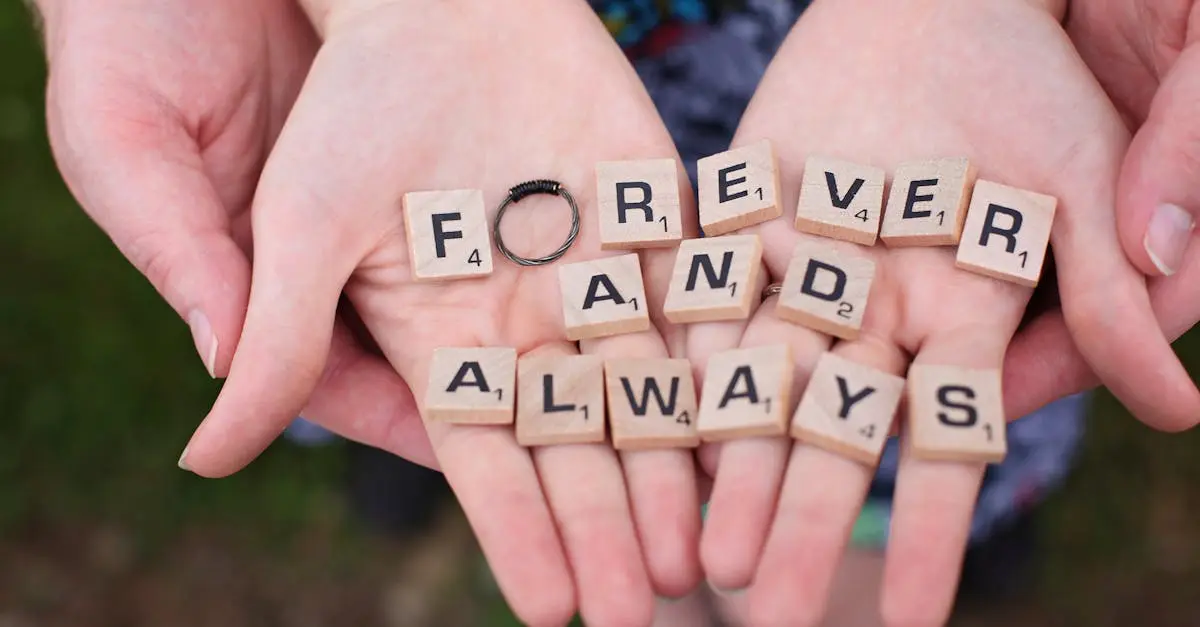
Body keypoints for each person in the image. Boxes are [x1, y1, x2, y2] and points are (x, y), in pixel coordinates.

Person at [32, 0, 1200, 624]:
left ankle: (914, 526)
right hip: (412, 89)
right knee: (459, 365)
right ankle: (446, 476)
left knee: (891, 373)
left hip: (907, 82)